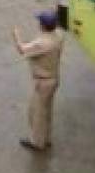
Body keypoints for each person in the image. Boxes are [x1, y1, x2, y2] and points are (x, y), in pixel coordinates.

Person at [13, 10, 65, 153]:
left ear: (42, 25)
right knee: (47, 111)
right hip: (53, 78)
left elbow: (22, 50)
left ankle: (37, 142)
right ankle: (45, 138)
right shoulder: (58, 36)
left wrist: (16, 35)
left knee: (36, 113)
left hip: (43, 82)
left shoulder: (42, 43)